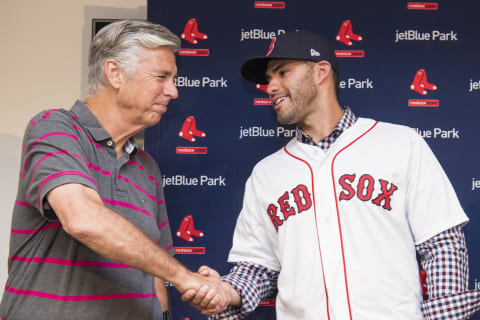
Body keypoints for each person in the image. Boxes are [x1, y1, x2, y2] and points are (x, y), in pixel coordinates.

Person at [182, 30, 480, 319]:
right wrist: (225, 291)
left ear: (320, 71)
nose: (270, 86)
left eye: (282, 72)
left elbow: (441, 243)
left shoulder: (400, 143)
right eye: (269, 78)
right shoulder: (266, 174)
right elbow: (257, 268)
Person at [0, 20, 228, 320]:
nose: (173, 91)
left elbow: (155, 273)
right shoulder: (54, 128)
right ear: (115, 73)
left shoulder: (147, 167)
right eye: (162, 76)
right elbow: (83, 219)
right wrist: (187, 278)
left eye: (173, 79)